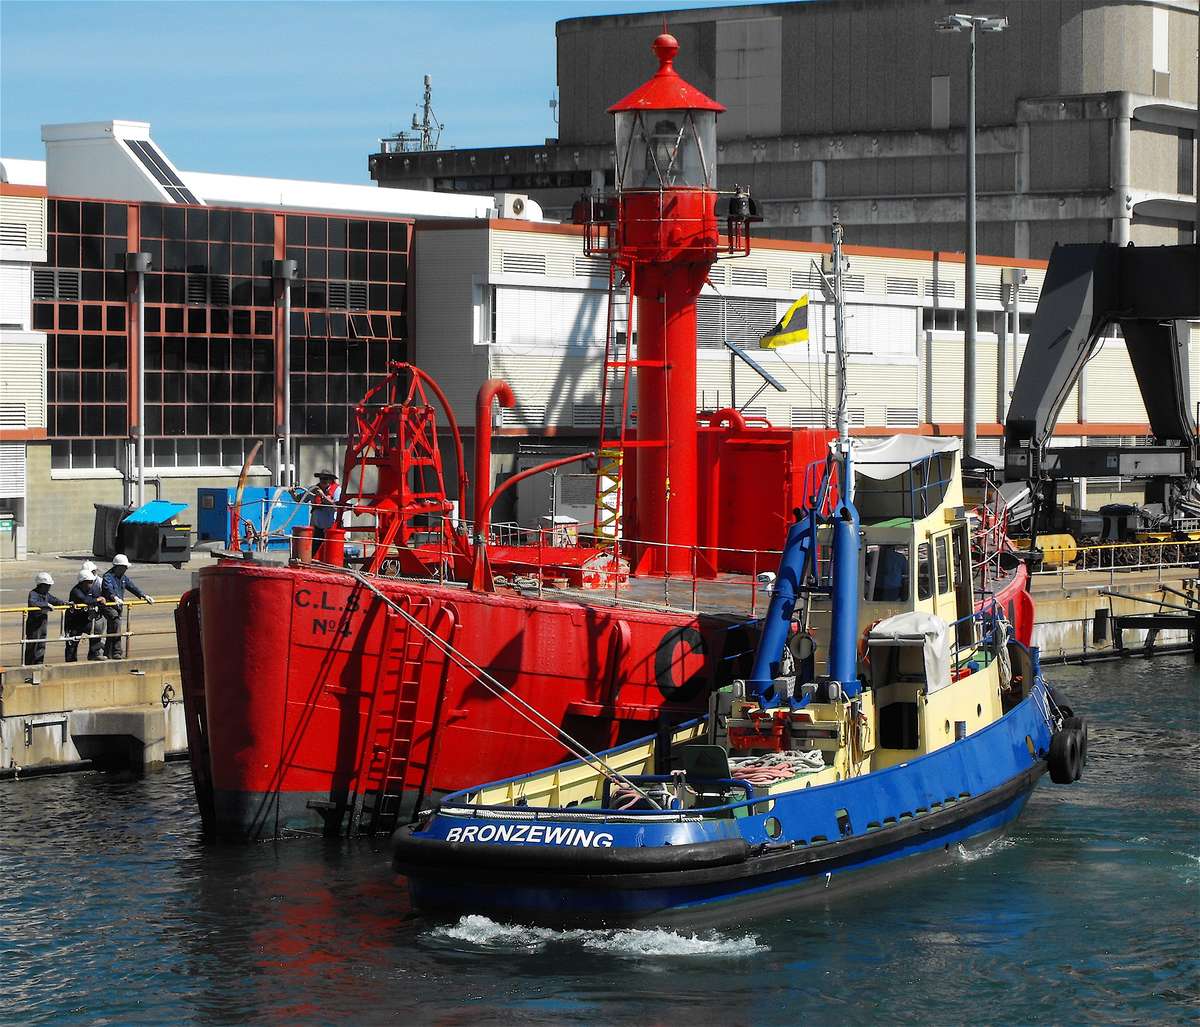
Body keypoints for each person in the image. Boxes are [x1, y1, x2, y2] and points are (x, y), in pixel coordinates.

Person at [100, 554, 155, 660]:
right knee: (116, 622)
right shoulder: (108, 577)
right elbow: (108, 589)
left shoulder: (123, 578)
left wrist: (144, 596)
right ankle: (117, 651)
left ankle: (107, 652)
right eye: (124, 567)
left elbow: (132, 587)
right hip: (109, 606)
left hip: (118, 606)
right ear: (118, 567)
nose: (126, 569)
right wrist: (114, 597)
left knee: (113, 629)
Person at [24, 572, 67, 667]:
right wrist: (46, 605)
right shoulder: (33, 593)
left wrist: (65, 603)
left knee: (41, 644)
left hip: (43, 623)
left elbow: (55, 600)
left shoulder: (46, 594)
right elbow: (33, 603)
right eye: (47, 586)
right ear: (41, 585)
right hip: (34, 625)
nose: (49, 588)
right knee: (32, 645)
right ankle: (28, 665)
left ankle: (39, 664)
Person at [309, 470, 342, 552]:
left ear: (331, 480)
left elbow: (336, 506)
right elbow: (299, 499)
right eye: (321, 479)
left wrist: (323, 496)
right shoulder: (314, 489)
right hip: (316, 528)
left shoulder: (337, 490)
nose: (323, 481)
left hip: (331, 528)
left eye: (326, 478)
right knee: (314, 550)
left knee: (330, 551)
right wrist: (292, 493)